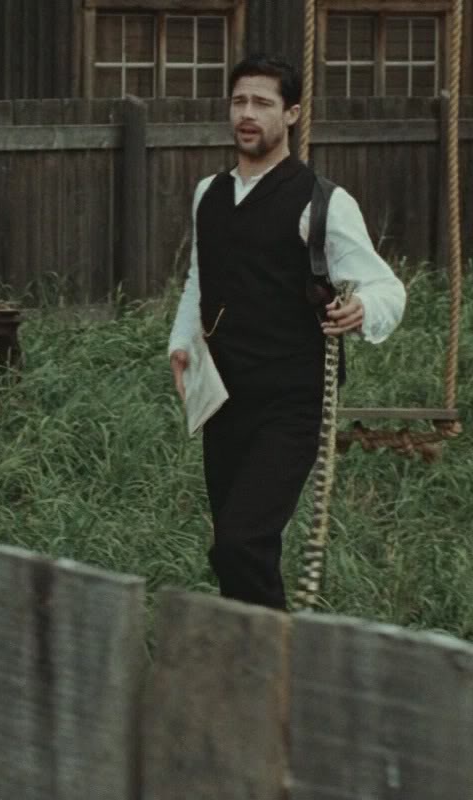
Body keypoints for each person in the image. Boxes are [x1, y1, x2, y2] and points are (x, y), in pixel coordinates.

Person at [167, 54, 407, 611]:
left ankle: (273, 653)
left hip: (292, 400)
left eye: (262, 103)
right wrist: (181, 341)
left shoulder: (322, 202)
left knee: (242, 541)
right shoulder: (209, 194)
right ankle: (251, 649)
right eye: (239, 102)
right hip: (224, 394)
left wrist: (362, 308)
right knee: (232, 547)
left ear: (292, 114)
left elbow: (388, 287)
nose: (247, 114)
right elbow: (200, 276)